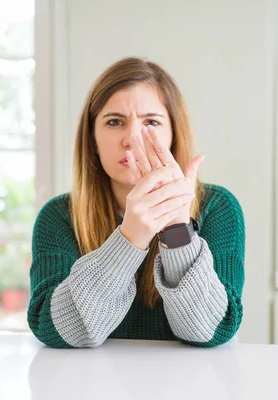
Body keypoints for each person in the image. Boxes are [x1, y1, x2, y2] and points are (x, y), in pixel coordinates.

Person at [27, 57, 245, 348]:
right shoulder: (59, 216)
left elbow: (209, 331)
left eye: (151, 122)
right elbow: (54, 331)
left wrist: (177, 230)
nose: (131, 139)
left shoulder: (218, 208)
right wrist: (130, 238)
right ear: (92, 138)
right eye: (114, 122)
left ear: (172, 136)